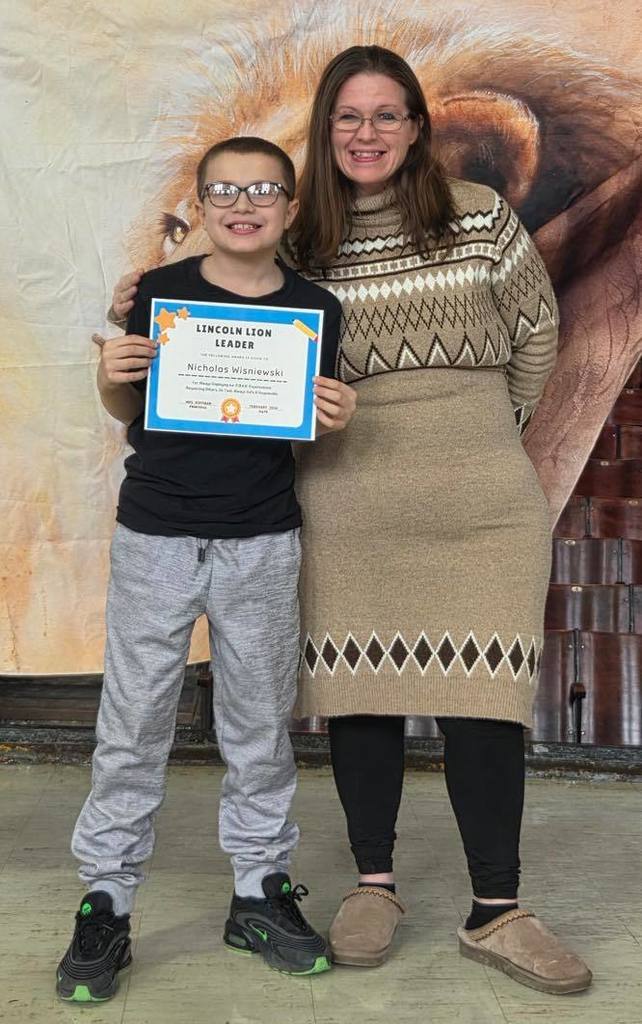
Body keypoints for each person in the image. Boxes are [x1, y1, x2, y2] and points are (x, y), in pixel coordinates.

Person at [110, 47, 592, 995]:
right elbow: (225, 315)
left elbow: (538, 335)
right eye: (348, 118)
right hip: (343, 498)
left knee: (487, 704)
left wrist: (490, 429)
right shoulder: (298, 241)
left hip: (480, 502)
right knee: (358, 695)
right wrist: (147, 305)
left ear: (417, 126)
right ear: (326, 131)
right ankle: (374, 883)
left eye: (386, 115)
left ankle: (498, 908)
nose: (366, 134)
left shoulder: (482, 217)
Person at [56, 136, 357, 1003]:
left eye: (264, 188)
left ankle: (259, 892)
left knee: (259, 724)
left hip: (262, 537)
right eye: (224, 188)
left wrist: (337, 413)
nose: (243, 201)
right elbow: (127, 405)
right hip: (156, 533)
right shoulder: (156, 293)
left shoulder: (316, 310)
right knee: (134, 721)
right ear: (202, 201)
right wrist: (111, 373)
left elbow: (307, 419)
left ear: (290, 209)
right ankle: (106, 899)